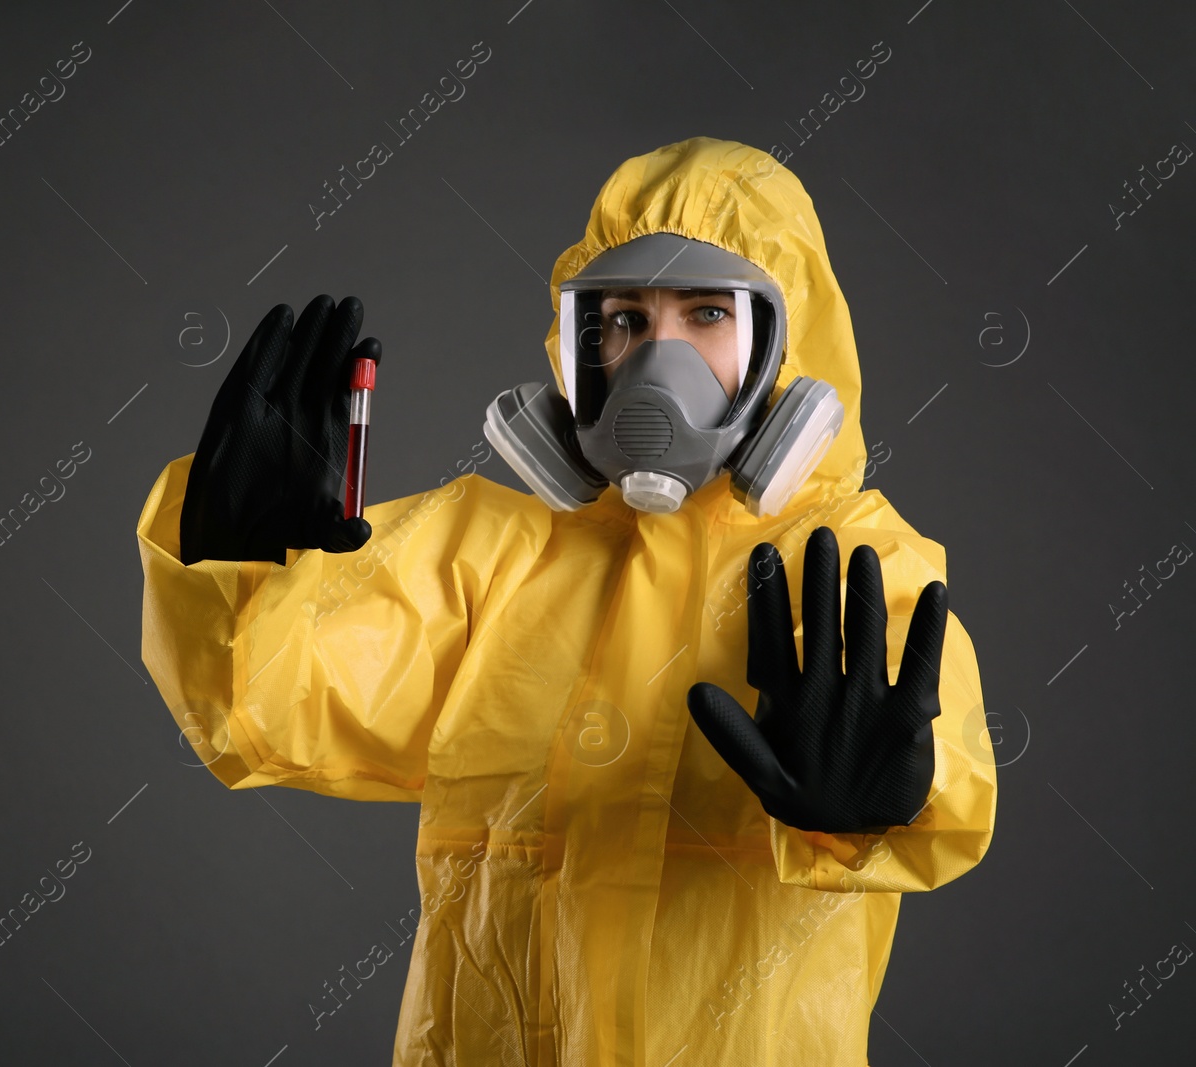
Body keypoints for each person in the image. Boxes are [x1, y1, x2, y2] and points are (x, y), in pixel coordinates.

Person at [136, 137, 997, 1066]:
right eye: (623, 319)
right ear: (579, 342)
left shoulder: (848, 565)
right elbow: (259, 712)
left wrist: (881, 800)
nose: (653, 364)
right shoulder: (490, 553)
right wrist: (238, 561)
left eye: (707, 311)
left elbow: (947, 779)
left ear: (789, 342)